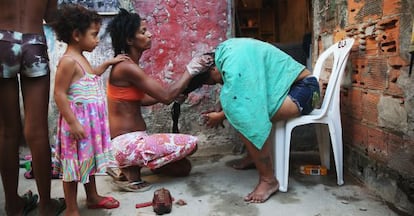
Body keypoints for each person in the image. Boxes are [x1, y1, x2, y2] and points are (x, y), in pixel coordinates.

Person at [184, 38, 320, 203]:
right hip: (290, 90)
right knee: (242, 108)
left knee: (245, 114)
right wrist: (223, 112)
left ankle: (268, 180)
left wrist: (221, 115)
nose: (217, 83)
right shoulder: (227, 53)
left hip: (305, 91)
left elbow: (244, 100)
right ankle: (253, 157)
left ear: (213, 68)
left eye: (213, 80)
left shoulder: (231, 58)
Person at [105, 9, 200, 192]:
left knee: (183, 168)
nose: (149, 34)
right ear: (129, 40)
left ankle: (129, 169)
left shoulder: (127, 66)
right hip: (128, 143)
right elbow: (165, 97)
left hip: (133, 141)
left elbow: (142, 100)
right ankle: (129, 170)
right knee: (192, 144)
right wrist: (190, 71)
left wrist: (176, 94)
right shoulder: (127, 67)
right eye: (143, 32)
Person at [49, 4, 130, 215]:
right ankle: (72, 208)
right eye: (94, 35)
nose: (97, 40)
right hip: (76, 126)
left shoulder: (81, 58)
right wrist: (73, 122)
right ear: (77, 35)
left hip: (88, 127)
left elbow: (91, 74)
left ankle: (92, 197)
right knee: (72, 169)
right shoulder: (68, 61)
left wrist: (109, 63)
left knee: (87, 162)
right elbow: (59, 93)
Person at [0, 0, 67, 215]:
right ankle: (46, 205)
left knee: (7, 132)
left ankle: (12, 204)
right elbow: (52, 16)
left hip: (1, 41)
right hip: (34, 42)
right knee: (37, 131)